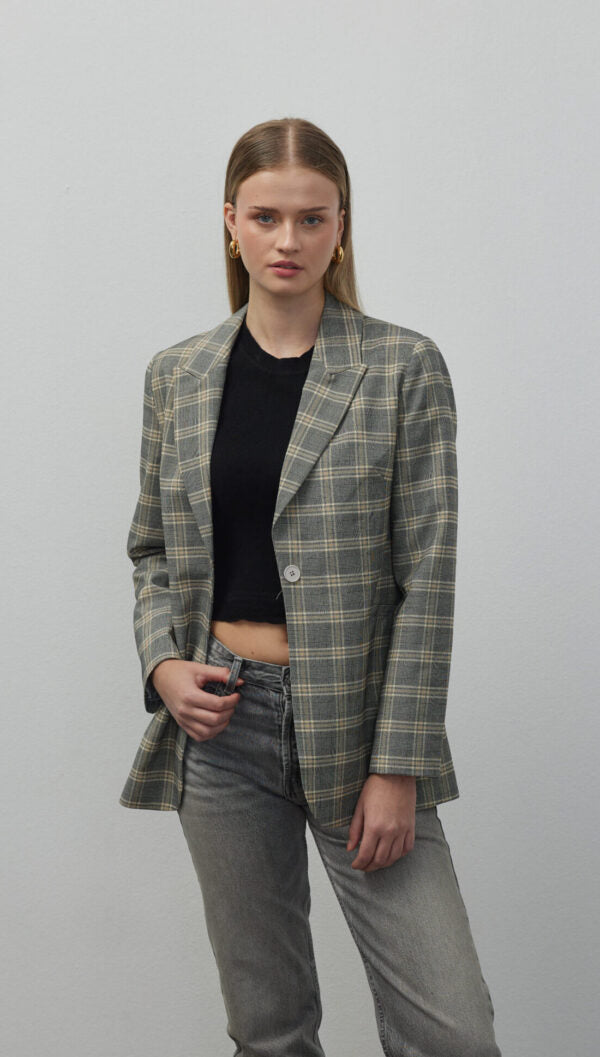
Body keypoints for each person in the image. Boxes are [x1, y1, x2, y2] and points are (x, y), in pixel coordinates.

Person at [119, 116, 502, 1057]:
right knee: (269, 1027)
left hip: (360, 726)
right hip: (221, 729)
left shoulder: (403, 367)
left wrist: (398, 763)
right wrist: (163, 662)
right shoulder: (178, 375)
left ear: (342, 227)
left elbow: (428, 579)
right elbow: (153, 548)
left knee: (452, 1030)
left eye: (311, 218)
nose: (287, 239)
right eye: (265, 216)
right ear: (230, 223)